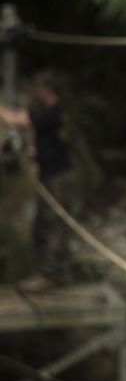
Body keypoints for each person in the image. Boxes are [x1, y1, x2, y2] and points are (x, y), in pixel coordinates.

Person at [0, 69, 79, 280]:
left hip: (59, 176)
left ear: (48, 90)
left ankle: (54, 275)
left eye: (38, 87)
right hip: (52, 174)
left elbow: (17, 119)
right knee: (45, 223)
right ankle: (55, 272)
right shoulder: (55, 112)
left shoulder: (54, 112)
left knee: (54, 224)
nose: (35, 91)